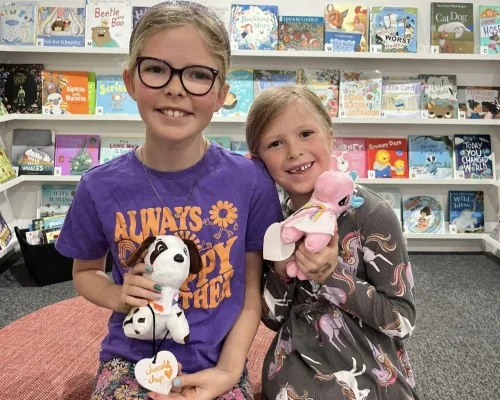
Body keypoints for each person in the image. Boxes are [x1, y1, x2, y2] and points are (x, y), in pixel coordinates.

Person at [55, 2, 282, 399]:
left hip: (216, 360)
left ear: (221, 94)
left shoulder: (250, 182)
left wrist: (230, 370)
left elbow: (250, 297)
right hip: (129, 359)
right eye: (157, 69)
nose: (175, 87)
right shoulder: (98, 186)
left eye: (198, 75)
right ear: (130, 80)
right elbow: (85, 271)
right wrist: (116, 294)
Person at [246, 85, 419, 399]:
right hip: (297, 362)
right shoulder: (276, 221)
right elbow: (271, 319)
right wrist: (281, 274)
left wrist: (333, 275)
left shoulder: (371, 214)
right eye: (275, 143)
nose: (294, 151)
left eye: (306, 134)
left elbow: (402, 321)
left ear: (329, 136)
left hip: (367, 361)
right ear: (258, 160)